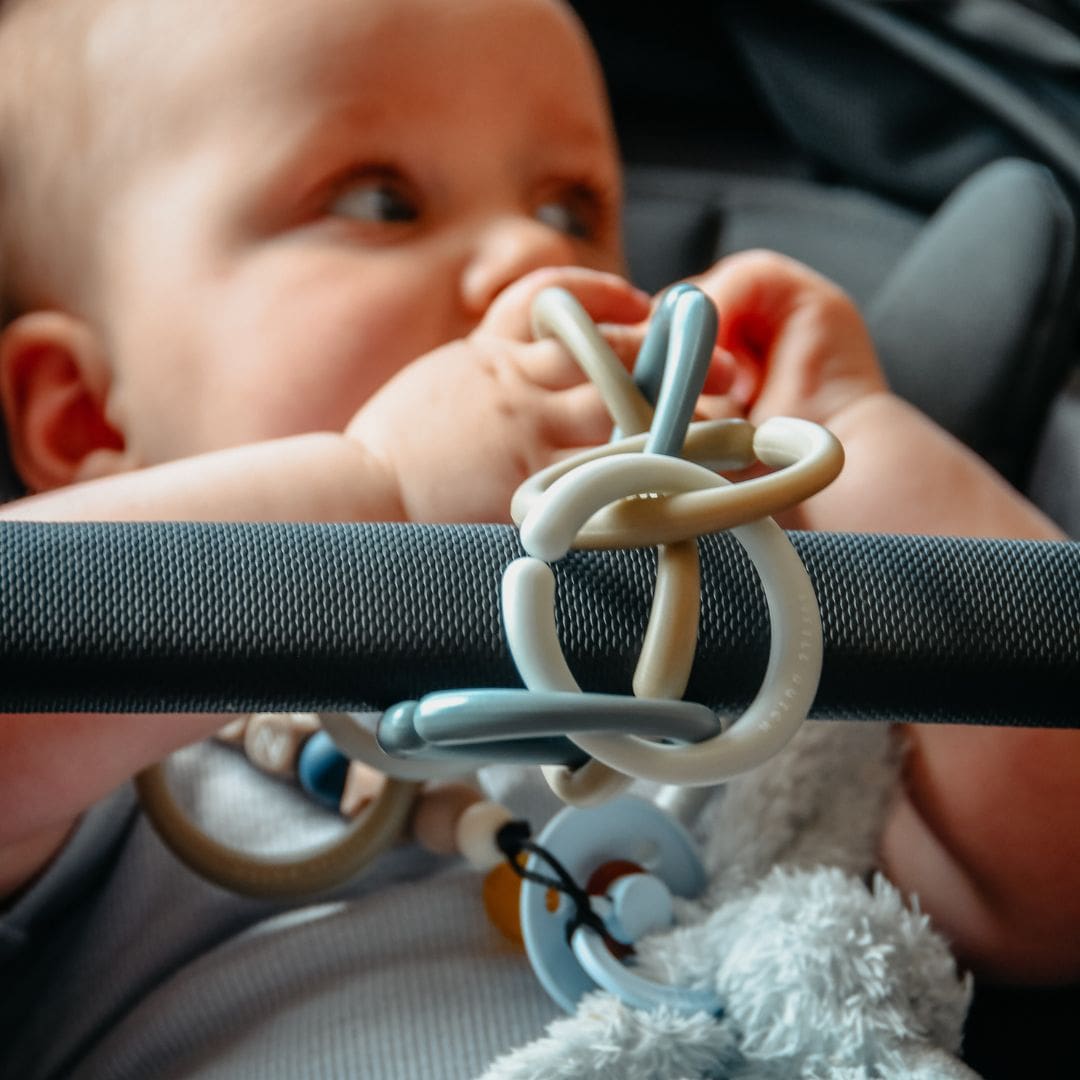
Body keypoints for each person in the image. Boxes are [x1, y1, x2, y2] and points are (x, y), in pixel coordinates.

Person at [0, 0, 1075, 1072]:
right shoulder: (128, 761)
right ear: (90, 417)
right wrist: (380, 492)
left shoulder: (740, 666)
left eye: (571, 210)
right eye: (380, 202)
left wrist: (842, 439)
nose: (529, 256)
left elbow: (1056, 868)